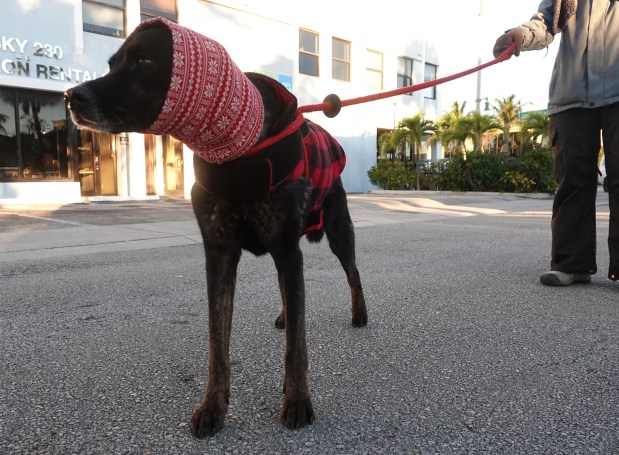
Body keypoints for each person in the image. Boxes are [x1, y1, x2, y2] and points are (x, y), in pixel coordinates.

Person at [493, 0, 619, 286]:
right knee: (572, 179)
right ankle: (571, 263)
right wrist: (520, 35)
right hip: (571, 93)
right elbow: (546, 19)